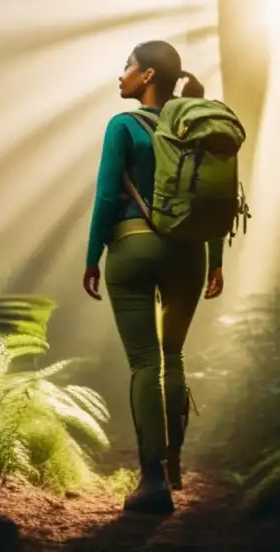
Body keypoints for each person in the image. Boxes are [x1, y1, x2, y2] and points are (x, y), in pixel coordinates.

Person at [83, 40, 225, 515]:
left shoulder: (122, 125)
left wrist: (92, 255)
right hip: (189, 252)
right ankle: (174, 464)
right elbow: (209, 197)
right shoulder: (196, 125)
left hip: (134, 244)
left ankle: (151, 483)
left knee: (145, 361)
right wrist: (216, 258)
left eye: (127, 66)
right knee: (174, 356)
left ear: (146, 77)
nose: (120, 74)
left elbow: (106, 196)